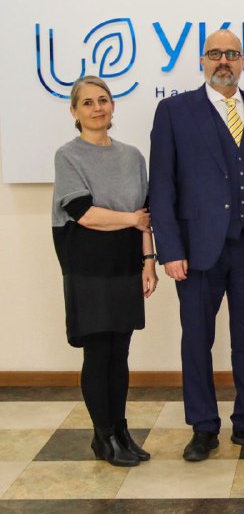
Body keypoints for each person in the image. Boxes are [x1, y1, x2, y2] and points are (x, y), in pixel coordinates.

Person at [149, 29, 244, 462]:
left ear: (243, 61)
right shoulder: (174, 111)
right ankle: (203, 426)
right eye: (215, 54)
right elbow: (161, 184)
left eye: (231, 54)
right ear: (202, 61)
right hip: (196, 250)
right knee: (197, 341)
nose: (223, 61)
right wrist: (170, 249)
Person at [52, 75, 157, 467]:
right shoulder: (68, 155)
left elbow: (145, 216)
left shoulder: (132, 156)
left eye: (103, 100)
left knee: (120, 353)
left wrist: (149, 262)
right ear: (74, 111)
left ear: (113, 105)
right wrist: (130, 219)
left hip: (125, 265)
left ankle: (121, 430)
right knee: (98, 354)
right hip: (88, 268)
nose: (97, 108)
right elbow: (84, 214)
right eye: (88, 103)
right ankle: (103, 435)